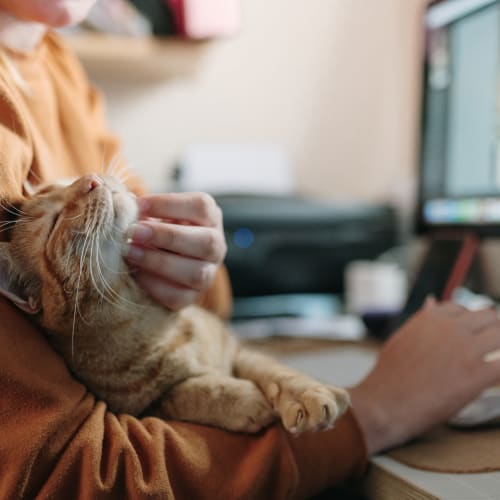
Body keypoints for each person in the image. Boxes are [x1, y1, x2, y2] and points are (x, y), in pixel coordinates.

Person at [1, 1, 500, 498]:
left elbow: (201, 313)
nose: (88, 186)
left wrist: (195, 269)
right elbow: (66, 474)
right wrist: (380, 411)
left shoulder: (55, 61)